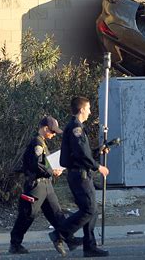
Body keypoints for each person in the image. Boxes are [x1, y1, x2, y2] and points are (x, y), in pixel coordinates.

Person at [9, 116, 82, 256]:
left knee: (57, 213)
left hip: (46, 184)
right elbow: (37, 164)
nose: (54, 134)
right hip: (36, 186)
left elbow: (44, 163)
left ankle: (69, 239)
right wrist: (52, 171)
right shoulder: (37, 143)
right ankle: (15, 244)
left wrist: (53, 170)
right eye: (52, 132)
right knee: (27, 215)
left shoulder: (42, 143)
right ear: (45, 128)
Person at [56, 96, 110, 257]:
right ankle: (61, 233)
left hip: (82, 174)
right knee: (89, 209)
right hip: (79, 175)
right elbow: (80, 154)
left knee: (91, 211)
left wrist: (97, 151)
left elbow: (82, 152)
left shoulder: (77, 127)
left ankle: (90, 246)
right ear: (81, 110)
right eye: (88, 108)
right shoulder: (76, 128)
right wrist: (98, 166)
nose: (90, 112)